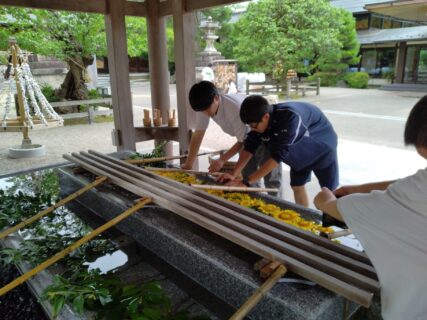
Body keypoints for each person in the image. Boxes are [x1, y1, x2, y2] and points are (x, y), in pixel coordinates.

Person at [313, 94, 427, 320]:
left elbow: (332, 206)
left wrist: (323, 199)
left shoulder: (414, 194)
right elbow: (410, 184)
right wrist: (360, 188)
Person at [217, 95, 338, 207]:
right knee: (297, 186)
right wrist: (233, 174)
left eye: (253, 125)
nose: (252, 129)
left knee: (329, 193)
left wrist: (246, 182)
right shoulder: (259, 121)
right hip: (300, 151)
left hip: (323, 150)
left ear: (265, 117)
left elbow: (276, 158)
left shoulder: (289, 118)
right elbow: (248, 148)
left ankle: (331, 225)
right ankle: (304, 222)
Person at [182, 81, 282, 196]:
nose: (205, 113)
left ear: (216, 98)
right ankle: (254, 207)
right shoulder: (204, 107)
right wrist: (189, 164)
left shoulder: (235, 109)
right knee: (248, 177)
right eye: (202, 110)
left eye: (206, 109)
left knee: (271, 179)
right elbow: (198, 133)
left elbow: (242, 142)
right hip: (248, 139)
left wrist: (222, 160)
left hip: (265, 134)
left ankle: (277, 206)